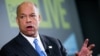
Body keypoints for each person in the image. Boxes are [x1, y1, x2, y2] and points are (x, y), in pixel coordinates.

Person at [0, 1, 95, 56]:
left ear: (39, 18)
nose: (28, 20)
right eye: (23, 17)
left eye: (32, 15)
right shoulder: (8, 50)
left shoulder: (55, 43)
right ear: (17, 21)